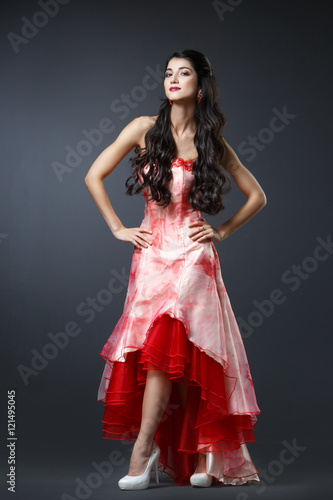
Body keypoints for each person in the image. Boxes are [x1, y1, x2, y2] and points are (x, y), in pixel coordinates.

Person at [84, 49, 267, 490]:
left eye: (183, 73)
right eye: (168, 72)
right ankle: (188, 453)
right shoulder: (144, 128)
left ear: (200, 87)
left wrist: (220, 231)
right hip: (150, 255)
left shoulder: (211, 143)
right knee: (165, 353)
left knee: (187, 347)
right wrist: (117, 228)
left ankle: (151, 452)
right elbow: (93, 174)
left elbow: (257, 195)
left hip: (193, 256)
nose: (172, 79)